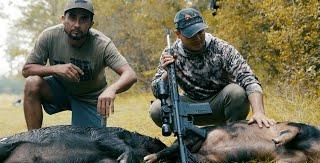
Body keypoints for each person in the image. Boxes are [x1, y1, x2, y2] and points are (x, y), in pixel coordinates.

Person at [149, 8, 275, 128]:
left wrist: (259, 112)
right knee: (157, 109)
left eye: (200, 32)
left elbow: (249, 79)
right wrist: (167, 72)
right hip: (189, 107)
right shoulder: (170, 53)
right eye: (191, 35)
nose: (198, 38)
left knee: (237, 93)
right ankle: (187, 137)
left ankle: (234, 134)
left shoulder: (222, 48)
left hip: (220, 104)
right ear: (178, 34)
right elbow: (157, 91)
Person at [22, 0, 137, 130]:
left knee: (89, 146)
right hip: (60, 90)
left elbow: (130, 74)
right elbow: (26, 70)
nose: (76, 24)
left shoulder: (102, 44)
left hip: (90, 98)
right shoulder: (49, 36)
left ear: (91, 24)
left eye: (83, 19)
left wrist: (112, 89)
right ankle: (33, 141)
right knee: (32, 83)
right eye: (72, 17)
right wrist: (55, 69)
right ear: (63, 19)